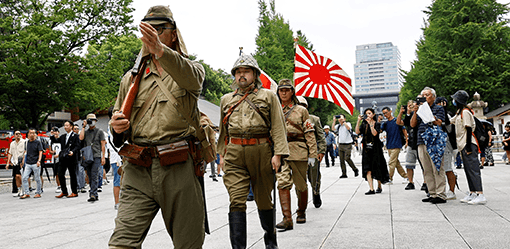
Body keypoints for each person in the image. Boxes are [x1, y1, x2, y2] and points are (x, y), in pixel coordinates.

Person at [108, 5, 206, 248]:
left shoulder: (191, 70)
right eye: (148, 30)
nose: (153, 35)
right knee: (121, 244)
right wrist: (116, 127)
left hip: (178, 166)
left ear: (173, 34)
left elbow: (191, 78)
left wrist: (161, 51)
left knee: (188, 244)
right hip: (138, 167)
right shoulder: (131, 79)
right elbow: (118, 126)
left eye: (160, 29)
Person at [217, 54, 289, 248]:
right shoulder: (226, 100)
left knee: (264, 200)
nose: (242, 75)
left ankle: (270, 241)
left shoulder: (269, 96)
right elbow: (223, 131)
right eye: (238, 72)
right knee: (236, 200)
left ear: (255, 74)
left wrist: (278, 154)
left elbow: (278, 127)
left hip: (261, 151)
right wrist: (221, 155)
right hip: (234, 153)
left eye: (246, 71)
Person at [276, 78, 317, 229]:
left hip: (298, 150)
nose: (284, 92)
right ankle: (287, 218)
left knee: (301, 185)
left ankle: (301, 211)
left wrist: (312, 153)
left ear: (292, 92)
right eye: (281, 90)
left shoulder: (301, 110)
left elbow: (309, 132)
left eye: (287, 89)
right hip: (280, 150)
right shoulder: (274, 109)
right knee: (282, 183)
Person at [411, 87, 447, 204]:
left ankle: (440, 194)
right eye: (423, 95)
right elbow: (413, 124)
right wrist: (416, 111)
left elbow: (439, 122)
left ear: (433, 97)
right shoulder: (420, 110)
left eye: (427, 95)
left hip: (434, 140)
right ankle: (432, 193)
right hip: (421, 140)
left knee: (437, 167)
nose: (424, 97)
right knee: (426, 169)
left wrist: (427, 111)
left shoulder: (438, 108)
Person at [451, 90, 487, 205]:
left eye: (455, 99)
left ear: (458, 100)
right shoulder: (459, 112)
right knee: (468, 169)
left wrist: (468, 147)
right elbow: (450, 121)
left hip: (468, 144)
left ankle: (480, 194)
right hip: (463, 144)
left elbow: (468, 128)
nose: (454, 101)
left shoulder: (465, 112)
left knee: (473, 169)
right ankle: (472, 192)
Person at [297, 96, 326, 208]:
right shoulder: (290, 118)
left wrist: (321, 151)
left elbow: (321, 137)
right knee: (299, 180)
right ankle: (301, 202)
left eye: (303, 105)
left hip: (313, 152)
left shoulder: (314, 119)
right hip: (298, 152)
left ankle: (316, 192)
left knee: (315, 177)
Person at [355, 108, 389, 194]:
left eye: (369, 113)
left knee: (377, 167)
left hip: (376, 148)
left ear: (373, 114)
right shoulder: (364, 124)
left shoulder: (377, 124)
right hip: (366, 148)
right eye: (366, 114)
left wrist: (371, 124)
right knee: (368, 168)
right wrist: (358, 121)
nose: (368, 115)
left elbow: (375, 134)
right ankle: (371, 188)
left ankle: (379, 185)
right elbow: (357, 132)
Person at [79, 113, 106, 202]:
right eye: (90, 120)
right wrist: (83, 127)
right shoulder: (86, 132)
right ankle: (94, 193)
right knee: (89, 175)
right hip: (87, 156)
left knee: (94, 174)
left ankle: (93, 194)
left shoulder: (99, 131)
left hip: (96, 155)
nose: (91, 122)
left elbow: (103, 145)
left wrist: (103, 157)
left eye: (93, 120)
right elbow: (81, 138)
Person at [436, 97, 458, 200]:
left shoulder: (447, 115)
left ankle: (452, 191)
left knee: (448, 168)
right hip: (436, 145)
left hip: (446, 145)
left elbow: (449, 129)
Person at [381, 107, 408, 184]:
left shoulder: (397, 121)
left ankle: (389, 178)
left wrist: (407, 140)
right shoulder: (385, 124)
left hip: (397, 144)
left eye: (386, 112)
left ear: (390, 111)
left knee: (391, 162)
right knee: (396, 163)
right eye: (384, 113)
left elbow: (404, 130)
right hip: (389, 145)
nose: (385, 115)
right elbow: (379, 130)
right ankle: (406, 176)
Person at [55, 120, 81, 198]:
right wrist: (54, 136)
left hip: (72, 158)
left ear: (71, 127)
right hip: (63, 158)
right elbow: (56, 142)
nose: (65, 127)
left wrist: (73, 151)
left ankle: (74, 192)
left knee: (72, 175)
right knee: (60, 173)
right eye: (65, 125)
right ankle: (64, 191)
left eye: (67, 125)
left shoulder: (75, 136)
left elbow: (78, 146)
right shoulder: (63, 136)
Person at [20, 128, 44, 199]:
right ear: (28, 134)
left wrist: (39, 160)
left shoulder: (38, 142)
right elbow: (25, 152)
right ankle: (27, 193)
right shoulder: (26, 142)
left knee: (37, 178)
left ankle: (38, 192)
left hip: (35, 163)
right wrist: (23, 161)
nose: (32, 134)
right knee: (24, 177)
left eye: (33, 133)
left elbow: (40, 152)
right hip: (28, 163)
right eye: (30, 133)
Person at [6, 130, 25, 197]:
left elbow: (25, 152)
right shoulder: (12, 143)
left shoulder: (23, 142)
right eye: (16, 134)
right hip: (15, 162)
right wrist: (8, 162)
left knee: (19, 176)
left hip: (21, 162)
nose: (18, 135)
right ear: (14, 135)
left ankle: (23, 189)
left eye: (19, 134)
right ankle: (18, 189)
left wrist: (23, 161)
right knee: (15, 176)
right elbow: (10, 153)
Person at [73, 124, 86, 193]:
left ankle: (82, 186)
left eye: (77, 129)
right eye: (75, 129)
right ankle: (77, 186)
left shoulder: (80, 137)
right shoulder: (71, 137)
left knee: (81, 171)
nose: (76, 130)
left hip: (79, 156)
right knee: (75, 172)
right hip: (72, 157)